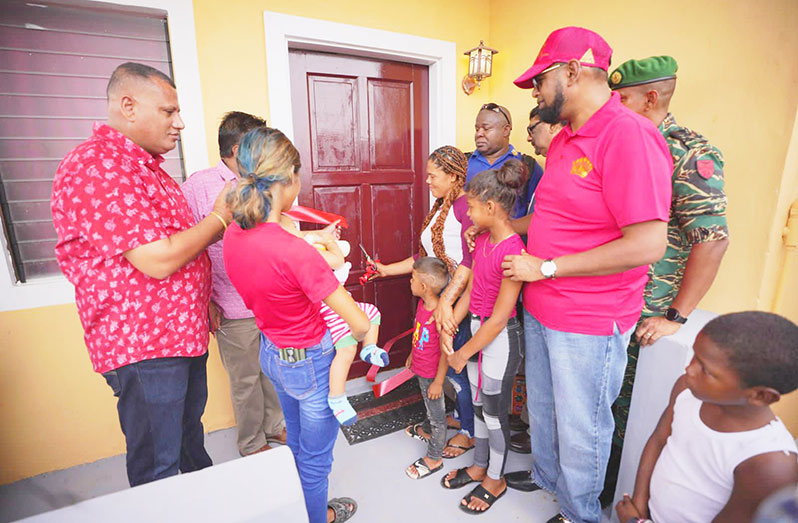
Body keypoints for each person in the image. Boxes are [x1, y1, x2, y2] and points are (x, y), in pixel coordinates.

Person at [502, 27, 673, 523]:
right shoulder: (564, 139)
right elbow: (555, 215)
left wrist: (547, 267)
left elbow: (646, 244)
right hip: (543, 307)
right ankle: (553, 487)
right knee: (548, 415)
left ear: (574, 72)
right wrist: (504, 229)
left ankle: (580, 514)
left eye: (540, 80)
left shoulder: (629, 135)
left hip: (589, 320)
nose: (535, 92)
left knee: (582, 429)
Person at [51, 62, 229, 487]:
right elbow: (158, 259)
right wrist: (221, 217)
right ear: (128, 106)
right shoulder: (99, 168)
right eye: (169, 112)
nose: (180, 123)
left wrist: (203, 299)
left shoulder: (146, 168)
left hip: (179, 335)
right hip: (147, 346)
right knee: (159, 468)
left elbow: (177, 244)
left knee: (188, 444)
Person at [603, 55, 730, 504]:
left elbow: (711, 239)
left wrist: (676, 315)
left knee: (628, 409)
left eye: (621, 98)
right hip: (610, 303)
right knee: (605, 400)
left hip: (649, 309)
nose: (611, 106)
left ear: (650, 98)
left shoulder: (688, 153)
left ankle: (608, 495)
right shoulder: (621, 144)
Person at [223, 127, 366, 523]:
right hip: (312, 364)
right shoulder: (295, 255)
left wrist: (311, 239)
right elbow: (354, 321)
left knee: (299, 447)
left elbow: (278, 239)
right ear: (289, 178)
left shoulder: (234, 234)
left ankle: (300, 510)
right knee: (316, 462)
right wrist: (360, 336)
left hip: (272, 355)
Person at [616, 311, 798, 523]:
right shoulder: (687, 389)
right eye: (695, 356)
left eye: (706, 370)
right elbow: (658, 440)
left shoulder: (769, 464)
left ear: (760, 395)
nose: (689, 369)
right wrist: (640, 502)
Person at [181, 111, 287, 456]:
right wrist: (205, 300)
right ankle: (251, 443)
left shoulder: (263, 182)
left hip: (268, 300)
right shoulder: (198, 186)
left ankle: (274, 426)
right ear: (240, 147)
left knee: (271, 369)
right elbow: (186, 246)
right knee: (245, 381)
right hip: (232, 305)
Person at [376, 146, 478, 459]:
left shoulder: (464, 208)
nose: (428, 181)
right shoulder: (438, 207)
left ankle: (469, 433)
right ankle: (460, 418)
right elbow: (424, 259)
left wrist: (450, 304)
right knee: (443, 366)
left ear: (453, 176)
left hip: (456, 302)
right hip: (438, 300)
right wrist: (386, 270)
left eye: (434, 175)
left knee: (456, 369)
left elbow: (470, 263)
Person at [440, 160, 527, 515]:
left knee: (494, 413)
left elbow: (499, 317)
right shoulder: (484, 241)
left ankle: (495, 477)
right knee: (477, 408)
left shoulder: (512, 250)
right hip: (477, 332)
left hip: (500, 339)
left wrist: (462, 355)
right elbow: (474, 289)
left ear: (491, 208)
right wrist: (451, 322)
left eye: (472, 207)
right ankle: (478, 465)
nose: (468, 214)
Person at [281, 218, 389, 426]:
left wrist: (324, 235)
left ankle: (369, 348)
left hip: (343, 301)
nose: (301, 232)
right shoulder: (302, 255)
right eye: (295, 229)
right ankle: (337, 397)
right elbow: (337, 260)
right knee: (347, 349)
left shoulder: (304, 248)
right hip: (329, 308)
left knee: (372, 312)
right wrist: (328, 241)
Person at [507, 104, 565, 456]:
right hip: (539, 295)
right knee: (540, 387)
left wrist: (544, 268)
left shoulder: (552, 168)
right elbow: (539, 219)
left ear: (556, 127)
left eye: (533, 127)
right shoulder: (554, 167)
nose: (529, 136)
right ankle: (543, 465)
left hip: (562, 294)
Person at [404, 257, 451, 480]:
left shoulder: (439, 314)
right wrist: (413, 353)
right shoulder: (423, 305)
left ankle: (434, 457)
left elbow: (445, 351)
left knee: (438, 417)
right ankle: (427, 429)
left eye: (412, 278)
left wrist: (438, 382)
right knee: (429, 406)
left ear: (423, 286)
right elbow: (420, 332)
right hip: (422, 369)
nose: (409, 282)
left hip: (433, 374)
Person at [467, 103, 544, 220]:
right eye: (477, 129)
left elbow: (537, 213)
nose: (479, 134)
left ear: (506, 130)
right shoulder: (463, 162)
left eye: (486, 128)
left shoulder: (528, 166)